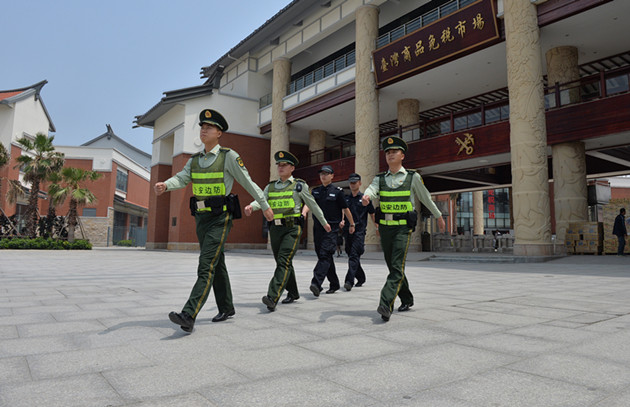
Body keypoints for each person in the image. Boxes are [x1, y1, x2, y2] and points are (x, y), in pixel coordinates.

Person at [154, 109, 274, 333]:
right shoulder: (195, 160)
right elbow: (182, 178)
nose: (204, 130)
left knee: (206, 264)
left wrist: (265, 207)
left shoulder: (228, 156)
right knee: (216, 263)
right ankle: (227, 307)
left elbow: (248, 183)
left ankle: (189, 314)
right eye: (202, 127)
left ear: (219, 133)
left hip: (221, 217)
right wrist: (166, 185)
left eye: (209, 127)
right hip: (201, 218)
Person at [362, 136, 446, 322]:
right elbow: (371, 189)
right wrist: (367, 196)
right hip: (385, 228)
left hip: (402, 229)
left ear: (402, 156)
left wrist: (438, 216)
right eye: (387, 152)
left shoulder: (412, 177)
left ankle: (385, 303)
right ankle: (407, 298)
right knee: (394, 266)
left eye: (394, 152)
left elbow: (425, 198)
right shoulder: (380, 178)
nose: (390, 155)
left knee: (396, 265)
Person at [244, 151, 330, 312]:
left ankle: (272, 296)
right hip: (275, 229)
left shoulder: (299, 185)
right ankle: (294, 292)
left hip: (292, 228)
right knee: (283, 262)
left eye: (284, 165)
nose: (280, 167)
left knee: (283, 260)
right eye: (279, 165)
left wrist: (324, 222)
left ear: (292, 168)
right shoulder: (270, 186)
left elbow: (312, 204)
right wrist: (252, 206)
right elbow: (262, 200)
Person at [303, 165, 355, 296]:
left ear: (332, 176)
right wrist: (303, 214)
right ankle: (334, 283)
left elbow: (345, 209)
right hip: (318, 228)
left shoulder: (338, 192)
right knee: (323, 256)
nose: (323, 176)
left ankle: (316, 283)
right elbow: (309, 204)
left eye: (326, 174)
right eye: (321, 174)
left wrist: (352, 224)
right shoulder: (315, 191)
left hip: (331, 229)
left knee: (325, 254)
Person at [340, 173, 375, 291]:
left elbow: (372, 213)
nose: (352, 184)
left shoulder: (365, 198)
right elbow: (343, 212)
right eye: (350, 182)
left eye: (355, 182)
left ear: (360, 183)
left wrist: (377, 226)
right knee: (350, 254)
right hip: (347, 231)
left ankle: (349, 281)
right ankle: (361, 277)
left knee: (354, 254)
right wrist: (342, 221)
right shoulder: (346, 199)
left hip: (359, 231)